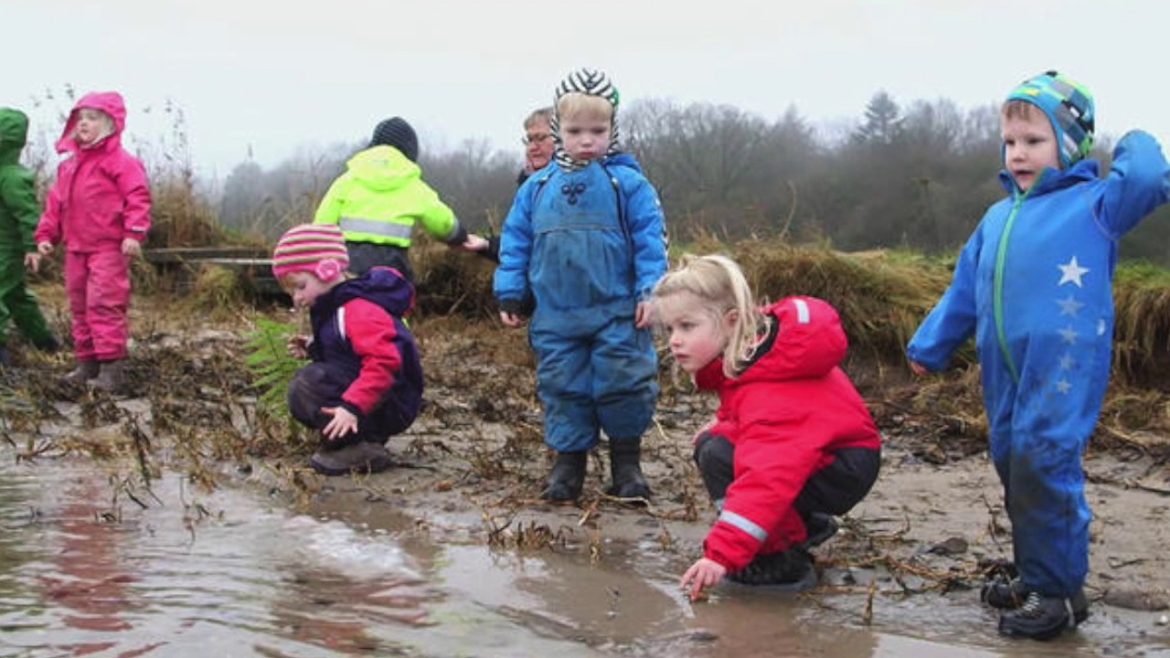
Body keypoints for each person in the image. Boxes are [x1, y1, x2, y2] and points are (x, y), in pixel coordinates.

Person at [906, 71, 1170, 641]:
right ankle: (1037, 573)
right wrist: (931, 343)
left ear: (1069, 145)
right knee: (1012, 459)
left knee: (1043, 459)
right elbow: (964, 290)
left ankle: (1060, 593)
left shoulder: (1097, 204)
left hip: (1065, 360)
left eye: (1034, 141)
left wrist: (1130, 138)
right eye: (1010, 142)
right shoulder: (997, 218)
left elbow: (1150, 175)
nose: (1018, 153)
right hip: (1003, 365)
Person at [656, 254, 881, 601]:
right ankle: (805, 524)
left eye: (687, 327)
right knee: (714, 443)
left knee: (718, 455)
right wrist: (724, 422)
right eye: (670, 329)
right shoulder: (761, 351)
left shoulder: (768, 390)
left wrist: (721, 555)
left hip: (841, 467)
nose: (674, 340)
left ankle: (780, 560)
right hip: (832, 454)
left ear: (731, 322)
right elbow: (769, 426)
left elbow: (767, 475)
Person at [494, 68, 668, 501]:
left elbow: (652, 241)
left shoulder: (627, 183)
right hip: (556, 314)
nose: (587, 140)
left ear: (614, 129)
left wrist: (653, 292)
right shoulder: (536, 187)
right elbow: (515, 243)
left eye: (598, 130)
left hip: (619, 312)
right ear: (558, 130)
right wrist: (511, 291)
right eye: (575, 131)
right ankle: (568, 464)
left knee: (624, 381)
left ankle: (626, 463)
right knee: (562, 384)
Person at [273, 223, 423, 476]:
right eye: (291, 291)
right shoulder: (336, 306)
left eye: (300, 286)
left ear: (328, 271)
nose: (296, 298)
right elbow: (348, 353)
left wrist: (352, 407)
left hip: (392, 400)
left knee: (308, 385)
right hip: (380, 397)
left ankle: (358, 446)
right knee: (310, 380)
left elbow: (384, 362)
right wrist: (314, 347)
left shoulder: (357, 310)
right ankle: (360, 438)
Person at [28, 92, 151, 392]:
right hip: (75, 248)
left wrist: (134, 233)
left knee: (105, 303)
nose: (84, 123)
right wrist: (46, 236)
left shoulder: (121, 162)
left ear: (110, 124)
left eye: (93, 118)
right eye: (80, 118)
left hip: (108, 247)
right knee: (79, 305)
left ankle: (112, 368)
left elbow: (138, 196)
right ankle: (87, 363)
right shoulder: (69, 166)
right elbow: (55, 203)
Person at [313, 116, 469, 283]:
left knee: (346, 300)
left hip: (349, 266)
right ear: (408, 154)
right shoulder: (413, 185)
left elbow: (322, 224)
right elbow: (443, 222)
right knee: (396, 301)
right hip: (393, 269)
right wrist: (458, 235)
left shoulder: (349, 179)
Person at [0, 107, 59, 367]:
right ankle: (44, 340)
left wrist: (32, 245)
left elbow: (27, 213)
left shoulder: (11, 177)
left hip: (7, 250)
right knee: (16, 297)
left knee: (6, 293)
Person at [464, 106, 556, 262]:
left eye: (541, 138)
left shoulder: (577, 186)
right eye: (529, 140)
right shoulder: (527, 184)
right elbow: (523, 242)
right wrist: (487, 245)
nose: (532, 147)